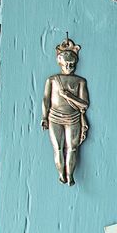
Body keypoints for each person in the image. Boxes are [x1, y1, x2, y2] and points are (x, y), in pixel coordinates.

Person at [41, 37, 90, 186]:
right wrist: (44, 117)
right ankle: (61, 174)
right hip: (54, 117)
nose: (69, 67)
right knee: (58, 148)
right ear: (59, 62)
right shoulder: (52, 80)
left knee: (72, 148)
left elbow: (84, 104)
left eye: (72, 64)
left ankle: (70, 175)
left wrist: (69, 96)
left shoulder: (80, 81)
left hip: (73, 118)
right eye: (66, 64)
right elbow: (46, 100)